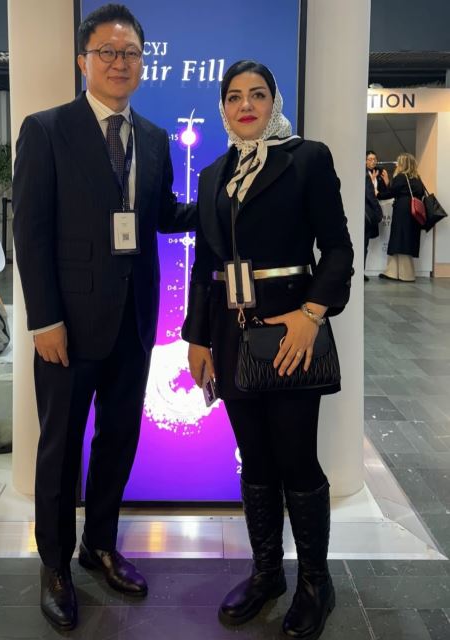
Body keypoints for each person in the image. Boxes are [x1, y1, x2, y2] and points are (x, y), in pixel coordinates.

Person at [13, 3, 194, 631]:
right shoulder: (47, 129)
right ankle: (55, 566)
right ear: (83, 60)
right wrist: (44, 320)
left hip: (134, 321)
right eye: (108, 52)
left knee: (119, 440)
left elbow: (163, 215)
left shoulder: (154, 138)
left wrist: (225, 204)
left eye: (131, 53)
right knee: (60, 449)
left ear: (143, 63)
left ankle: (100, 546)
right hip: (66, 327)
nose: (120, 63)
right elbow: (31, 232)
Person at [182, 60, 353, 640]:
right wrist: (196, 336)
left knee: (296, 458)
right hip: (232, 337)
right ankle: (267, 574)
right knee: (253, 458)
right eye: (234, 97)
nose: (246, 105)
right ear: (223, 108)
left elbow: (338, 249)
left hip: (290, 336)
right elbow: (207, 265)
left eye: (257, 94)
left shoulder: (307, 159)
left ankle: (316, 584)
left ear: (274, 101)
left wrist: (311, 315)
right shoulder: (213, 173)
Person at [378, 152, 424, 282]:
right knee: (404, 239)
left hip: (403, 211)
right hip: (413, 213)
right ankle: (393, 272)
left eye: (399, 162)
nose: (397, 164)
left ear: (403, 164)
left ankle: (404, 275)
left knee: (399, 239)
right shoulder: (417, 178)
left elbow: (391, 192)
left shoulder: (401, 177)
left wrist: (378, 194)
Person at [364, 150, 387, 281]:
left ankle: (361, 271)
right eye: (370, 159)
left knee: (365, 243)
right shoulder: (364, 174)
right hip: (368, 212)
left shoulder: (379, 174)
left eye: (375, 159)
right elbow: (370, 195)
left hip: (370, 212)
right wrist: (379, 212)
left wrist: (386, 181)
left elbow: (384, 192)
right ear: (365, 160)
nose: (373, 162)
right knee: (363, 243)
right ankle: (360, 271)